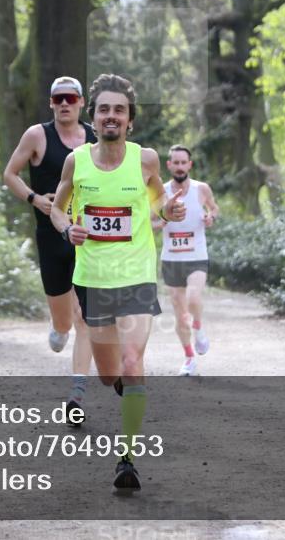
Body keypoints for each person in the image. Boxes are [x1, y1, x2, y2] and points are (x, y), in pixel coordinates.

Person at [51, 73, 186, 492]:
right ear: (93, 116)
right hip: (92, 279)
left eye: (120, 111)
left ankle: (126, 458)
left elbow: (159, 200)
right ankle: (126, 390)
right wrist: (65, 229)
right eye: (105, 109)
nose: (112, 116)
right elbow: (58, 208)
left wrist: (170, 211)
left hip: (136, 276)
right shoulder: (77, 162)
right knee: (111, 376)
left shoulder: (145, 160)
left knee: (132, 361)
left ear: (130, 121)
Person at [3, 76, 96, 424]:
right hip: (50, 236)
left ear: (82, 102)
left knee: (85, 317)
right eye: (58, 99)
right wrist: (34, 198)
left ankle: (76, 393)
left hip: (86, 237)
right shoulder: (37, 136)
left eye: (71, 98)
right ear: (51, 103)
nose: (64, 104)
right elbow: (9, 174)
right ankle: (58, 330)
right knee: (64, 322)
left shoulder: (93, 138)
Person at [151, 145, 219, 376]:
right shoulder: (161, 192)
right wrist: (159, 224)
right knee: (180, 315)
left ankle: (198, 328)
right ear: (169, 165)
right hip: (171, 259)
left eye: (184, 162)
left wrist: (211, 217)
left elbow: (214, 208)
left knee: (193, 296)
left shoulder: (201, 189)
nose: (180, 167)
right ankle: (189, 357)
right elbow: (147, 222)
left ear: (190, 165)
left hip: (196, 256)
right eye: (175, 163)